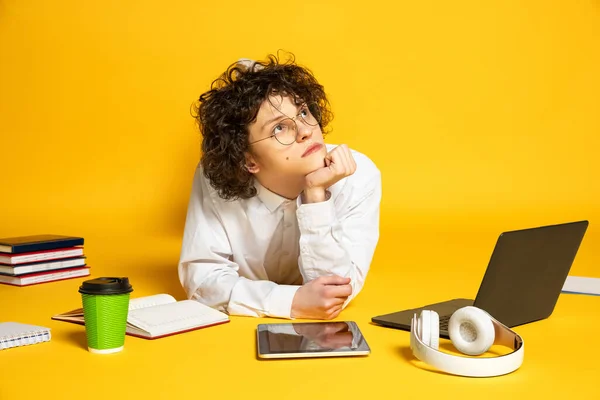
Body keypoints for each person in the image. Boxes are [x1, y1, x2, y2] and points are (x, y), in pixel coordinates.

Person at [178, 53, 382, 320]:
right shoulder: (213, 176)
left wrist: (315, 196)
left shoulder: (358, 175)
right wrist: (289, 301)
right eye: (279, 129)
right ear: (249, 161)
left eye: (303, 112)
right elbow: (202, 280)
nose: (305, 130)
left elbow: (334, 293)